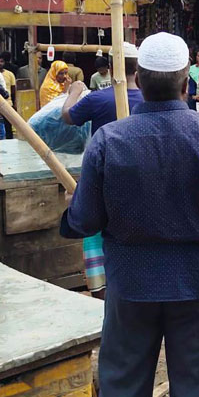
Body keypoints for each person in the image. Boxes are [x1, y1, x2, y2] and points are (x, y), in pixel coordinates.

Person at [60, 32, 199, 397]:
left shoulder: (109, 140)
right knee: (195, 384)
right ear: (187, 80)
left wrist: (71, 206)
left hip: (131, 282)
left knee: (124, 383)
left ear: (139, 81)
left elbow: (84, 222)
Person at [62, 42, 144, 297]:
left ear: (110, 67)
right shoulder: (147, 99)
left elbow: (68, 116)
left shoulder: (98, 98)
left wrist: (74, 91)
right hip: (139, 180)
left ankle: (101, 292)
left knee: (97, 236)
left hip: (103, 179)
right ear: (137, 70)